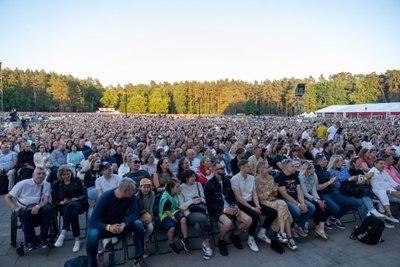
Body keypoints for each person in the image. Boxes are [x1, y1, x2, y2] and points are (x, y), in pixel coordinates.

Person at [86, 178, 145, 267]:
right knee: (92, 235)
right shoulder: (105, 197)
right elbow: (94, 221)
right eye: (133, 190)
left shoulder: (130, 196)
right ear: (126, 191)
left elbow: (134, 213)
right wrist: (109, 227)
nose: (135, 192)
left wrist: (125, 223)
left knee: (138, 224)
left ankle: (138, 258)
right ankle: (92, 263)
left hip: (120, 223)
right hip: (104, 225)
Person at [204, 162, 252, 256]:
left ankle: (234, 235)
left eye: (223, 167)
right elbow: (209, 204)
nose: (223, 169)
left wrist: (235, 206)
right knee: (227, 223)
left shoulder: (227, 181)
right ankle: (221, 241)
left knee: (248, 220)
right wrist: (224, 210)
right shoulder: (208, 185)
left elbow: (232, 197)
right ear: (214, 170)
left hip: (230, 207)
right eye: (220, 168)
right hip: (217, 210)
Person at [231, 159, 277, 252]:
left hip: (252, 201)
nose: (250, 167)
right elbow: (239, 198)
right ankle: (251, 239)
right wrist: (253, 208)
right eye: (248, 166)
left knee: (272, 212)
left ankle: (262, 232)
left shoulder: (251, 177)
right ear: (242, 168)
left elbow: (254, 193)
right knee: (255, 216)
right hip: (242, 203)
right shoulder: (235, 179)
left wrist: (258, 206)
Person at [4, 167, 53, 249]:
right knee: (25, 213)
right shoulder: (22, 184)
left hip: (38, 208)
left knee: (48, 208)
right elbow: (7, 197)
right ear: (33, 175)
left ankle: (43, 237)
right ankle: (32, 240)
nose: (41, 175)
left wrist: (38, 206)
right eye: (39, 173)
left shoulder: (46, 184)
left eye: (43, 174)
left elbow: (46, 200)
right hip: (24, 208)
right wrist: (16, 208)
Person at [255, 161, 295, 247]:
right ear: (261, 170)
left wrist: (274, 191)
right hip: (264, 202)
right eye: (266, 168)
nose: (269, 169)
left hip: (273, 199)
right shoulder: (256, 180)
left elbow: (275, 193)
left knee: (283, 205)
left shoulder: (271, 178)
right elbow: (259, 197)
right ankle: (289, 237)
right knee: (284, 207)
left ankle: (282, 233)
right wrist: (269, 193)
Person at [314, 153, 358, 230]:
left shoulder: (324, 170)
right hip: (323, 194)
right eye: (324, 159)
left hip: (332, 192)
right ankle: (326, 218)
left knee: (353, 203)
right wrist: (331, 182)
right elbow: (318, 188)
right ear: (319, 161)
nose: (327, 161)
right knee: (336, 208)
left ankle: (333, 218)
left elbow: (338, 183)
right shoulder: (316, 171)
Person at [178, 169, 213, 260]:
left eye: (194, 176)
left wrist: (199, 200)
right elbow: (181, 206)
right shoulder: (181, 188)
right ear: (186, 178)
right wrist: (191, 201)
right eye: (192, 176)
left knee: (198, 226)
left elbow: (204, 199)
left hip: (200, 208)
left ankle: (205, 244)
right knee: (203, 218)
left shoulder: (198, 184)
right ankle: (208, 245)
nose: (194, 178)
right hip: (190, 212)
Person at [276, 159, 315, 238]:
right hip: (285, 200)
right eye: (292, 166)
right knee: (297, 210)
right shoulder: (279, 177)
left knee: (311, 207)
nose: (294, 167)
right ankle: (291, 227)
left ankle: (298, 225)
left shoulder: (294, 175)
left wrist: (303, 203)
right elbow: (284, 195)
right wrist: (298, 204)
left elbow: (299, 190)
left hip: (295, 198)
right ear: (285, 167)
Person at [52, 165, 88, 252]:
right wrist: (62, 202)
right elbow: (54, 200)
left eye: (68, 174)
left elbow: (84, 194)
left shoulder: (77, 180)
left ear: (71, 173)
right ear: (60, 176)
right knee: (73, 213)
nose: (66, 176)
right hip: (64, 206)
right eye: (63, 175)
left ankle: (63, 232)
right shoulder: (57, 184)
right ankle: (77, 240)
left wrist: (77, 198)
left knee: (71, 206)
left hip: (78, 203)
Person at [298, 162, 330, 240]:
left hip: (311, 195)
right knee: (316, 206)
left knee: (323, 205)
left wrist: (318, 199)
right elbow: (305, 193)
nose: (314, 169)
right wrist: (316, 200)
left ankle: (321, 229)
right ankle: (318, 229)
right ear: (307, 170)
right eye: (312, 168)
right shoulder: (301, 177)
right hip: (302, 196)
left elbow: (313, 190)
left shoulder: (314, 175)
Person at [159, 179, 190, 254]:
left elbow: (175, 206)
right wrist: (174, 219)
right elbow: (166, 211)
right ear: (171, 188)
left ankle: (185, 239)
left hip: (174, 210)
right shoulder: (166, 198)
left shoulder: (175, 192)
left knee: (183, 219)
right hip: (165, 214)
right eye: (177, 187)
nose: (179, 188)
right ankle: (171, 243)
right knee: (172, 228)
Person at [369, 158, 400, 228]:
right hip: (379, 190)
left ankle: (388, 216)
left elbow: (393, 182)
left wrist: (397, 187)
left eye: (383, 164)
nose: (383, 165)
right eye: (381, 164)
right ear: (375, 164)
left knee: (397, 194)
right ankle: (389, 214)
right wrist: (368, 178)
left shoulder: (384, 172)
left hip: (388, 189)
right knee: (384, 193)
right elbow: (370, 183)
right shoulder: (372, 172)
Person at [135, 178, 155, 258]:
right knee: (139, 229)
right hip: (138, 217)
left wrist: (150, 218)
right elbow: (136, 211)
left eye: (148, 187)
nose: (146, 189)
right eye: (144, 187)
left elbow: (150, 208)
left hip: (148, 216)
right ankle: (143, 246)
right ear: (140, 187)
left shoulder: (152, 194)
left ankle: (144, 239)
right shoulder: (136, 197)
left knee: (150, 227)